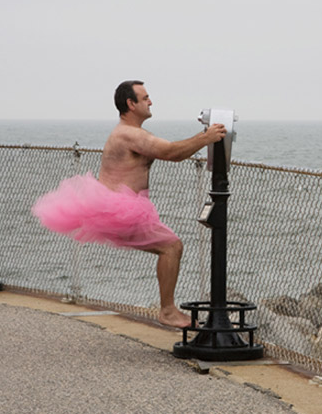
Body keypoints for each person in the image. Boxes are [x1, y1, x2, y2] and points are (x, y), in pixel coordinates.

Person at [32, 80, 226, 328]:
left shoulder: (129, 133)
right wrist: (206, 137)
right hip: (120, 209)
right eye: (145, 98)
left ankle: (168, 309)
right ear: (130, 104)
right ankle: (167, 311)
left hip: (116, 208)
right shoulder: (129, 134)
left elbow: (166, 150)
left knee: (170, 247)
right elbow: (170, 153)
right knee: (171, 247)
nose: (150, 101)